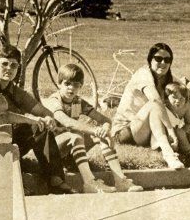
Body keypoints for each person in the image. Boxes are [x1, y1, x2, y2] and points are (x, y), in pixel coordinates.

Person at [0, 44, 76, 194]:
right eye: (4, 64)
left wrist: (48, 118)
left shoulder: (15, 91)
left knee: (39, 126)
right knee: (30, 124)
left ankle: (55, 179)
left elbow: (43, 111)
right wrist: (29, 119)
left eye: (14, 65)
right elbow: (0, 116)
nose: (9, 68)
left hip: (10, 138)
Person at [42, 64, 144, 193]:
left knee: (100, 136)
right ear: (59, 84)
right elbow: (67, 122)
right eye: (67, 84)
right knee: (77, 134)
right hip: (51, 150)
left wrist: (105, 130)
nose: (71, 88)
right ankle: (89, 182)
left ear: (80, 86)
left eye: (76, 85)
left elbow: (105, 120)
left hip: (70, 148)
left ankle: (120, 180)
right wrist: (95, 130)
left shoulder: (78, 101)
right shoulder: (54, 100)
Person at [110, 43, 186, 169]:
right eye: (158, 58)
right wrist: (171, 131)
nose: (163, 62)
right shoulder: (143, 74)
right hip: (124, 132)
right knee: (154, 105)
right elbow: (155, 100)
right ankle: (168, 154)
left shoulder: (167, 78)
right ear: (150, 60)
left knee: (163, 110)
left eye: (167, 60)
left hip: (143, 131)